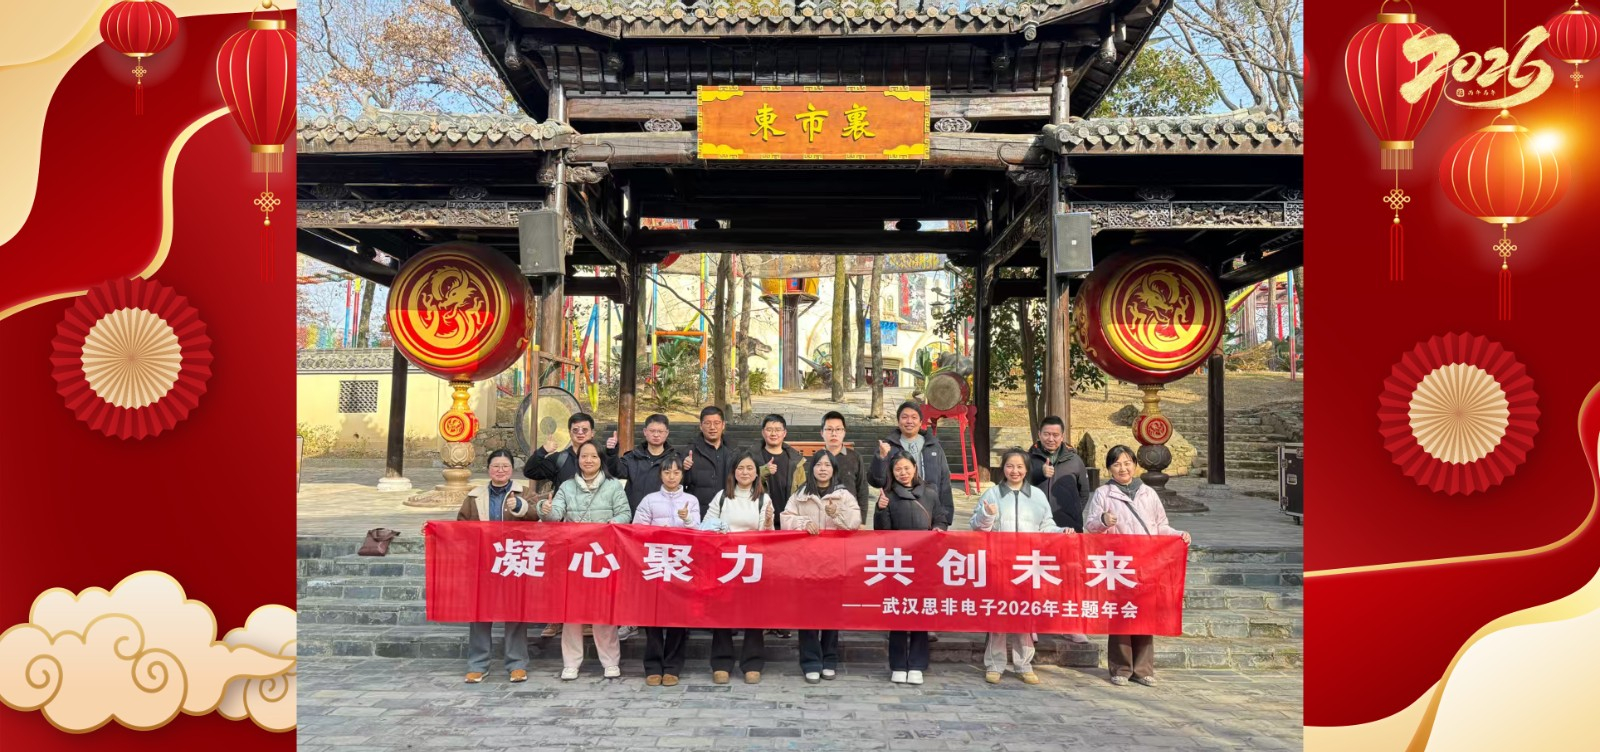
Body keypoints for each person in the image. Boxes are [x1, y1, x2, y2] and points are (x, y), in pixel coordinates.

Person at [1083, 444, 1192, 688]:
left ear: (1134, 464)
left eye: (1127, 463)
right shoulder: (1103, 493)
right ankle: (1120, 668)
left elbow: (1160, 525)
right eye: (1116, 464)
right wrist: (1103, 520)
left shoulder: (1148, 493)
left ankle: (1143, 669)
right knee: (1121, 615)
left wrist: (1178, 535)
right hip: (1119, 564)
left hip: (1146, 564)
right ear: (1109, 468)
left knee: (1143, 614)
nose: (1123, 468)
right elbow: (1089, 527)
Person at [971, 449, 1074, 685]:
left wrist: (1062, 531)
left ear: (1027, 469)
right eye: (1010, 466)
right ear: (1003, 468)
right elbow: (977, 528)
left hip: (1028, 566)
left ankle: (1024, 664)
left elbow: (1046, 526)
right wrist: (987, 514)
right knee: (998, 616)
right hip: (999, 565)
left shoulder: (1037, 496)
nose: (1014, 471)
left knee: (1024, 616)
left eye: (1019, 466)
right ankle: (994, 664)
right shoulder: (992, 494)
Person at [539, 441, 631, 680]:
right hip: (574, 557)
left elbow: (625, 513)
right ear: (578, 460)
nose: (588, 460)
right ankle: (571, 663)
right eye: (584, 456)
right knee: (571, 612)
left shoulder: (613, 486)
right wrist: (545, 509)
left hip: (602, 557)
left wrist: (613, 523)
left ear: (601, 460)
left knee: (603, 611)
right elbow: (555, 515)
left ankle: (610, 661)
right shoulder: (567, 487)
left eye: (593, 456)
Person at [455, 450, 538, 684]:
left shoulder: (525, 493)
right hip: (484, 561)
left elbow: (538, 517)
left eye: (505, 466)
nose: (500, 470)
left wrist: (521, 506)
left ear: (512, 469)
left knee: (515, 613)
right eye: (495, 466)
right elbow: (461, 526)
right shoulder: (474, 496)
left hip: (514, 560)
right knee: (480, 613)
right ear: (488, 469)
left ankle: (517, 664)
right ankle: (478, 664)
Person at [780, 451, 861, 684]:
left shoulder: (844, 495)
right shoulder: (800, 495)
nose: (823, 469)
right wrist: (804, 523)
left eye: (827, 465)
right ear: (812, 468)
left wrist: (837, 514)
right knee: (807, 613)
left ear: (834, 469)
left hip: (834, 564)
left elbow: (854, 523)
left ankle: (829, 659)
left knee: (831, 613)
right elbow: (785, 519)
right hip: (806, 563)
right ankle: (810, 661)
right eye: (818, 465)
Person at [698, 450, 774, 684]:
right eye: (740, 468)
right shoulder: (722, 496)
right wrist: (719, 531)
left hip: (751, 564)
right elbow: (706, 526)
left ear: (757, 473)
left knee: (754, 613)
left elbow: (767, 536)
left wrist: (768, 522)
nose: (745, 472)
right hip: (724, 563)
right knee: (722, 613)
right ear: (733, 472)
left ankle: (752, 662)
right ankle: (721, 662)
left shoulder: (763, 499)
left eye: (750, 468)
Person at [605, 413, 677, 643]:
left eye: (660, 431)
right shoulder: (633, 457)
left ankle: (665, 618)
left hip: (665, 527)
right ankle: (631, 620)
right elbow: (617, 471)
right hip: (636, 527)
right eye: (652, 431)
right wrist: (611, 452)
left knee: (663, 574)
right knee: (634, 575)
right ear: (645, 432)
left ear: (667, 434)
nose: (656, 435)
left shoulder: (675, 458)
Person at [631, 452, 699, 686]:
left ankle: (672, 666)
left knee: (677, 617)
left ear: (682, 475)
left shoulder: (691, 500)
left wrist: (687, 519)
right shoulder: (649, 500)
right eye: (667, 472)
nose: (672, 476)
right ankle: (653, 665)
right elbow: (637, 530)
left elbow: (699, 532)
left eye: (676, 472)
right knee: (653, 617)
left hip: (680, 565)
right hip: (655, 564)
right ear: (660, 474)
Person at [874, 451, 939, 685]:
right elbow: (881, 532)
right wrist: (880, 509)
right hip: (898, 563)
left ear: (915, 468)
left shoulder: (930, 493)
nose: (903, 473)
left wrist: (939, 529)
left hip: (924, 562)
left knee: (920, 613)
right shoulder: (888, 496)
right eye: (898, 469)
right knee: (898, 612)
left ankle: (918, 664)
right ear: (892, 473)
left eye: (906, 468)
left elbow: (941, 518)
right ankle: (898, 664)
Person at [1027, 416, 1090, 644]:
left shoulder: (1075, 460)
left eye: (1055, 435)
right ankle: (1031, 624)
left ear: (1062, 436)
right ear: (1039, 435)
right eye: (1046, 434)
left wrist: (1071, 515)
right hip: (1036, 529)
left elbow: (1084, 493)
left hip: (1067, 531)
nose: (1051, 439)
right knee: (1034, 576)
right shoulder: (1027, 459)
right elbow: (1016, 485)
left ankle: (1069, 625)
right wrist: (1038, 474)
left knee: (1068, 577)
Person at [869, 401, 953, 531]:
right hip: (897, 509)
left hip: (928, 508)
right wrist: (880, 458)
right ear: (898, 421)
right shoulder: (887, 447)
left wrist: (945, 519)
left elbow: (944, 481)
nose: (909, 421)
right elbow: (876, 481)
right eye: (904, 417)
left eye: (914, 417)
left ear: (920, 422)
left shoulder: (933, 446)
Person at [820, 410, 873, 530]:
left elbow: (862, 489)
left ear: (844, 432)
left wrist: (862, 521)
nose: (834, 433)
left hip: (850, 518)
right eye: (829, 429)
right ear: (821, 432)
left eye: (838, 429)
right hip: (823, 521)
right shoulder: (817, 459)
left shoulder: (855, 457)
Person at [684, 406, 735, 518]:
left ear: (723, 425)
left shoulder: (734, 451)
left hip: (728, 512)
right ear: (701, 426)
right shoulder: (689, 452)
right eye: (707, 423)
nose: (712, 427)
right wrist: (683, 469)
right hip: (698, 514)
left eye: (716, 423)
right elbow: (679, 484)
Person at [756, 414, 806, 516]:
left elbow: (803, 492)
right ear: (763, 432)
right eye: (769, 429)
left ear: (784, 433)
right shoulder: (752, 457)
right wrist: (764, 471)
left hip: (789, 517)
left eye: (778, 430)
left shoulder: (796, 461)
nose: (773, 433)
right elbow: (743, 483)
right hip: (760, 518)